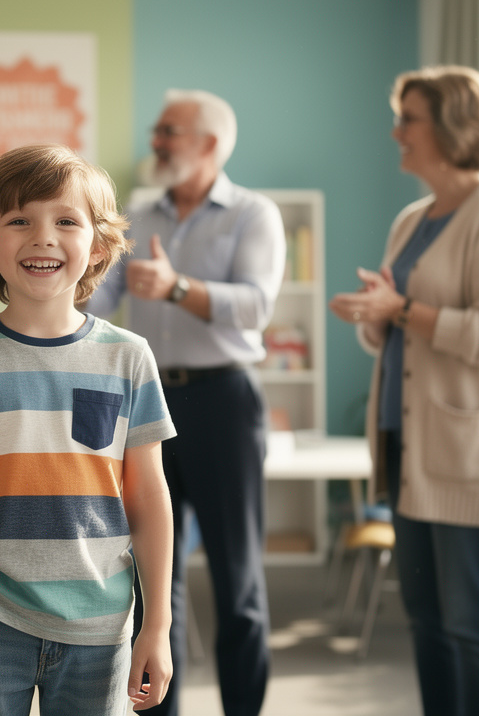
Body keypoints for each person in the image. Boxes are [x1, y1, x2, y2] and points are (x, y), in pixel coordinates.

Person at [0, 144, 176, 716]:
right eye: (18, 219)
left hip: (99, 621)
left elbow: (147, 495)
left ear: (97, 245)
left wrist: (159, 624)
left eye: (65, 221)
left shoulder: (130, 358)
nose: (42, 237)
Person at [328, 65, 479, 716]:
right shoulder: (410, 220)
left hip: (471, 454)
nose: (396, 131)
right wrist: (377, 315)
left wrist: (399, 310)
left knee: (474, 625)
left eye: (409, 118)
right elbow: (395, 337)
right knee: (424, 621)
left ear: (453, 125)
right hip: (404, 448)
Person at [85, 89, 284, 716]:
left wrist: (177, 288)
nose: (156, 140)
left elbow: (256, 306)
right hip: (146, 407)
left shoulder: (254, 214)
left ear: (210, 143)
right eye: (157, 129)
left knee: (238, 582)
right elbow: (98, 298)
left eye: (169, 130)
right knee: (151, 579)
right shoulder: (139, 214)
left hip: (225, 402)